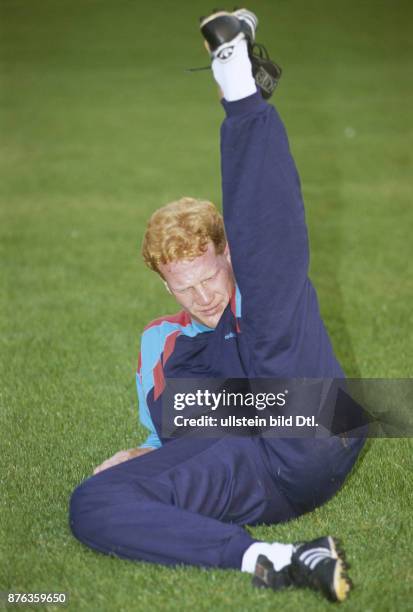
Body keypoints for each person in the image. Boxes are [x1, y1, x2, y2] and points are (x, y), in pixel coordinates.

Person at [70, 9, 365, 603]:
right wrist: (143, 453)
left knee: (269, 303)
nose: (203, 295)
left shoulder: (255, 291)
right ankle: (278, 559)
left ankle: (239, 85)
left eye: (210, 275)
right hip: (246, 476)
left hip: (311, 430)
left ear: (225, 256)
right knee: (94, 501)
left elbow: (265, 255)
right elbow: (177, 431)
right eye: (185, 286)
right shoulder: (161, 342)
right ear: (165, 287)